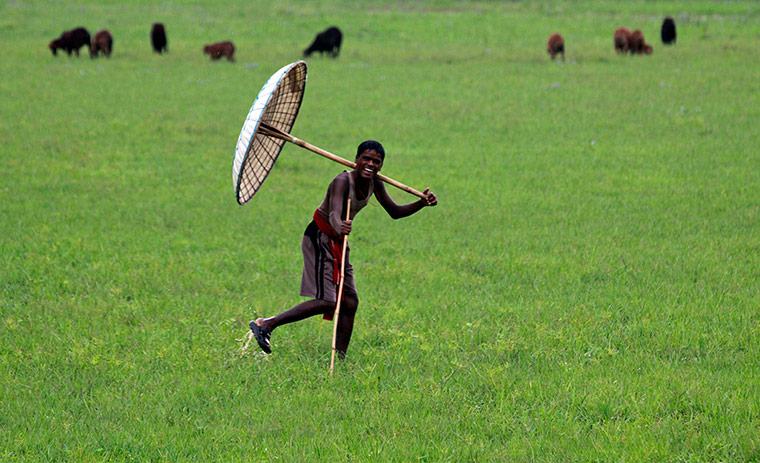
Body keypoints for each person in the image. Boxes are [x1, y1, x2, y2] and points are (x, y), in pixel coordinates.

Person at [249, 140, 437, 358]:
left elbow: (394, 211)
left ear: (381, 166)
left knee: (349, 301)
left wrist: (421, 204)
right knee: (328, 300)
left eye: (376, 161)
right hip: (320, 237)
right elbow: (334, 214)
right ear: (356, 159)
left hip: (339, 242)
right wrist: (340, 225)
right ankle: (267, 324)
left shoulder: (376, 183)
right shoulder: (342, 180)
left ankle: (340, 360)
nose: (370, 164)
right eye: (366, 159)